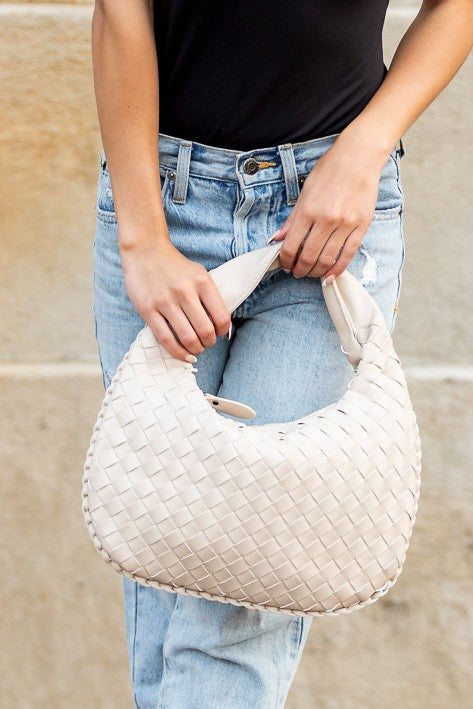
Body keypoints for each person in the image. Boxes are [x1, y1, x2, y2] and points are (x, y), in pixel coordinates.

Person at [90, 1, 473, 706]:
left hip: (327, 216)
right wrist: (143, 238)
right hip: (161, 197)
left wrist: (364, 151)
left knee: (241, 589)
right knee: (159, 564)